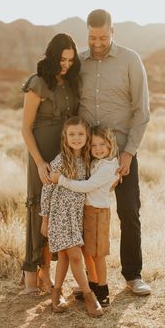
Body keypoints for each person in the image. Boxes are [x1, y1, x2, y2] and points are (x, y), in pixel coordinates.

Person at [78, 9, 151, 295]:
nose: (97, 42)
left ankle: (133, 275)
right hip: (85, 154)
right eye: (92, 37)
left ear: (113, 31)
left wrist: (129, 153)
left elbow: (141, 111)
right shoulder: (79, 62)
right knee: (86, 215)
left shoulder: (130, 60)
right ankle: (92, 280)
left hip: (121, 152)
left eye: (103, 36)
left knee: (129, 211)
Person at [21, 33, 80, 294]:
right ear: (52, 56)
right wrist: (40, 162)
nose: (66, 64)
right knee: (38, 210)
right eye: (62, 59)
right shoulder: (37, 83)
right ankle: (33, 276)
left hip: (63, 155)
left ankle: (50, 276)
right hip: (41, 155)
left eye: (70, 59)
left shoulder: (70, 82)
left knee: (57, 211)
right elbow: (25, 129)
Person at [40, 117, 103, 317]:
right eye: (72, 134)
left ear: (87, 137)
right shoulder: (60, 160)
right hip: (59, 214)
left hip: (76, 215)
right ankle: (88, 295)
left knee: (66, 257)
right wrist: (45, 218)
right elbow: (47, 189)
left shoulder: (88, 160)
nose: (76, 138)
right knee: (74, 254)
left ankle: (56, 293)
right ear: (65, 137)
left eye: (80, 134)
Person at [51, 126, 119, 307]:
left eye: (102, 144)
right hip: (86, 211)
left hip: (98, 213)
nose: (98, 148)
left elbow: (87, 186)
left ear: (110, 144)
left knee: (98, 255)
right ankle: (93, 284)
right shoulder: (95, 162)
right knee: (87, 252)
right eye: (94, 145)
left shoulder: (107, 166)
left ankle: (103, 290)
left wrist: (62, 180)